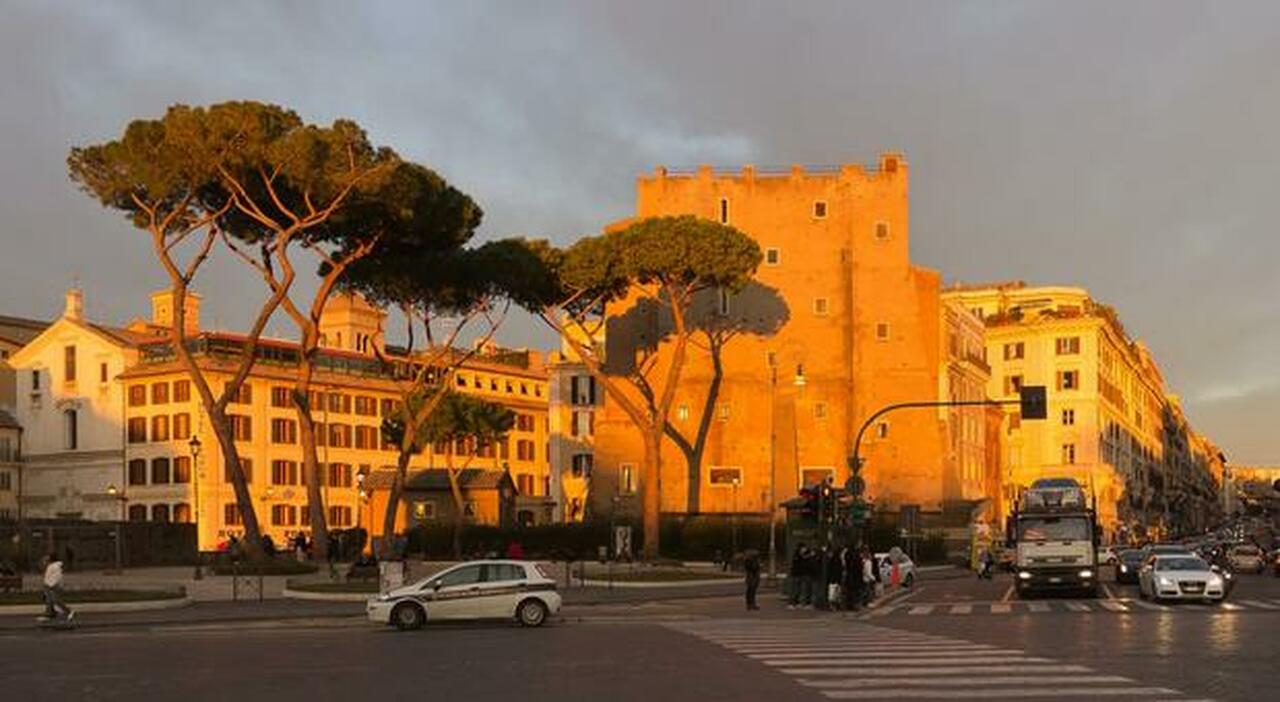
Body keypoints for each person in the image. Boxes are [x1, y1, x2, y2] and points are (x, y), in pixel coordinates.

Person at [40, 554, 74, 622]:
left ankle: (69, 611)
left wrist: (51, 584)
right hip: (49, 586)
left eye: (45, 560)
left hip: (53, 586)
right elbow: (48, 577)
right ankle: (50, 614)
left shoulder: (55, 567)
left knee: (56, 600)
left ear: (50, 560)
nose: (44, 562)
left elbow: (57, 577)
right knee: (49, 601)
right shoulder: (50, 567)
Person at [788, 544, 812, 609]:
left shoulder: (807, 555)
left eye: (804, 548)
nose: (804, 549)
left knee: (804, 589)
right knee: (796, 590)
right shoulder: (796, 556)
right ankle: (793, 603)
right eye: (803, 548)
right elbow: (796, 565)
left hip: (804, 574)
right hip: (797, 574)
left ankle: (801, 603)